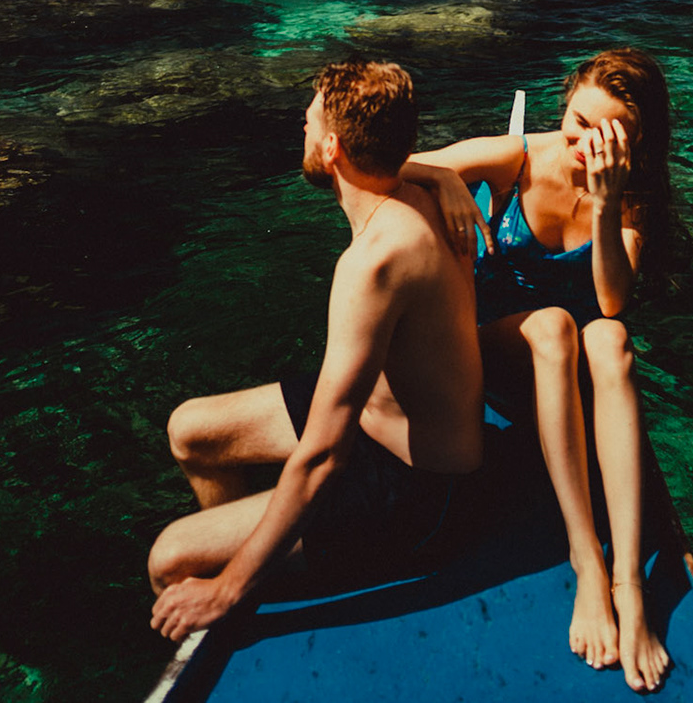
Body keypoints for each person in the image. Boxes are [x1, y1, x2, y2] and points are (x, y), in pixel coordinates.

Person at [148, 60, 484, 641]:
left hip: (425, 490)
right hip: (379, 427)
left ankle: (237, 591)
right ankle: (271, 553)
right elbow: (414, 165)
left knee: (171, 559)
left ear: (331, 149)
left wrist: (227, 586)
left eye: (307, 124)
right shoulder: (418, 192)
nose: (299, 132)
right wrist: (443, 174)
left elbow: (324, 454)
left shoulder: (373, 263)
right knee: (191, 430)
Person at [403, 47, 675, 693]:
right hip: (499, 348)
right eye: (578, 123)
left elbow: (611, 301)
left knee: (609, 338)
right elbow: (395, 167)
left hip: (576, 365)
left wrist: (606, 205)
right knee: (554, 325)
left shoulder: (632, 193)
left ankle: (629, 584)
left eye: (606, 134)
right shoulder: (519, 156)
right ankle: (586, 559)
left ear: (634, 141)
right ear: (564, 108)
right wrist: (445, 180)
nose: (584, 143)